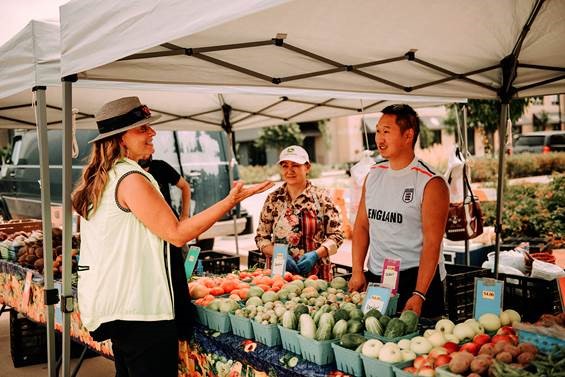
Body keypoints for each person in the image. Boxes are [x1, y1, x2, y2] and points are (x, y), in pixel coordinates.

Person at [71, 96, 272, 377]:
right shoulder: (130, 178)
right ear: (120, 139)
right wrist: (229, 201)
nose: (152, 132)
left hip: (121, 306)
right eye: (142, 129)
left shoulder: (103, 178)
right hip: (142, 311)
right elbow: (177, 234)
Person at [348, 104, 449, 318]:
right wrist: (357, 269)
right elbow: (362, 226)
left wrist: (419, 294)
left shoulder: (430, 182)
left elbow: (432, 243)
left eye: (387, 131)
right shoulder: (373, 175)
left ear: (408, 135)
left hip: (417, 280)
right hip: (377, 278)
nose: (379, 139)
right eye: (377, 131)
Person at [255, 145, 344, 280]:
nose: (289, 170)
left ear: (307, 167)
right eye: (285, 166)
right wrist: (279, 255)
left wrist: (316, 255)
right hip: (281, 275)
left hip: (316, 274)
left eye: (295, 165)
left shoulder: (321, 197)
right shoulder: (273, 199)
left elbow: (336, 235)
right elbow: (262, 237)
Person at [138, 154, 194, 342]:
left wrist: (185, 215)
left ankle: (181, 330)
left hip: (168, 232)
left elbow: (185, 186)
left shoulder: (160, 167)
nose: (148, 154)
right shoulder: (130, 175)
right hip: (146, 239)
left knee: (176, 275)